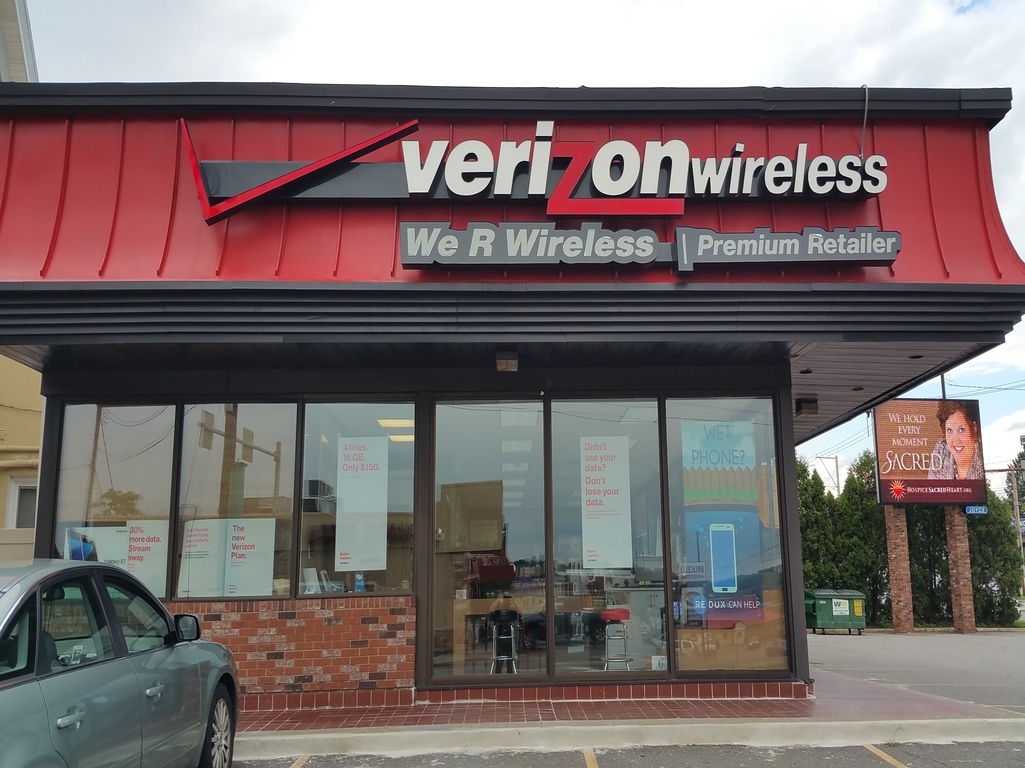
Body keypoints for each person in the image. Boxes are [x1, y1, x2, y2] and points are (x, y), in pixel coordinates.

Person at [927, 400, 983, 480]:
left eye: (961, 430)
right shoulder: (942, 450)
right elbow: (932, 485)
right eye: (949, 430)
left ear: (974, 428)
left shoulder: (983, 455)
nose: (955, 441)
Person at [488, 591, 519, 673]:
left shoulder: (512, 611)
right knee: (499, 661)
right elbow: (491, 609)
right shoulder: (498, 611)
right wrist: (499, 599)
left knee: (510, 661)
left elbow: (519, 611)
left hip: (510, 638)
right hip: (499, 638)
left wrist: (512, 599)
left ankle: (510, 676)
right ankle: (498, 676)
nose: (506, 601)